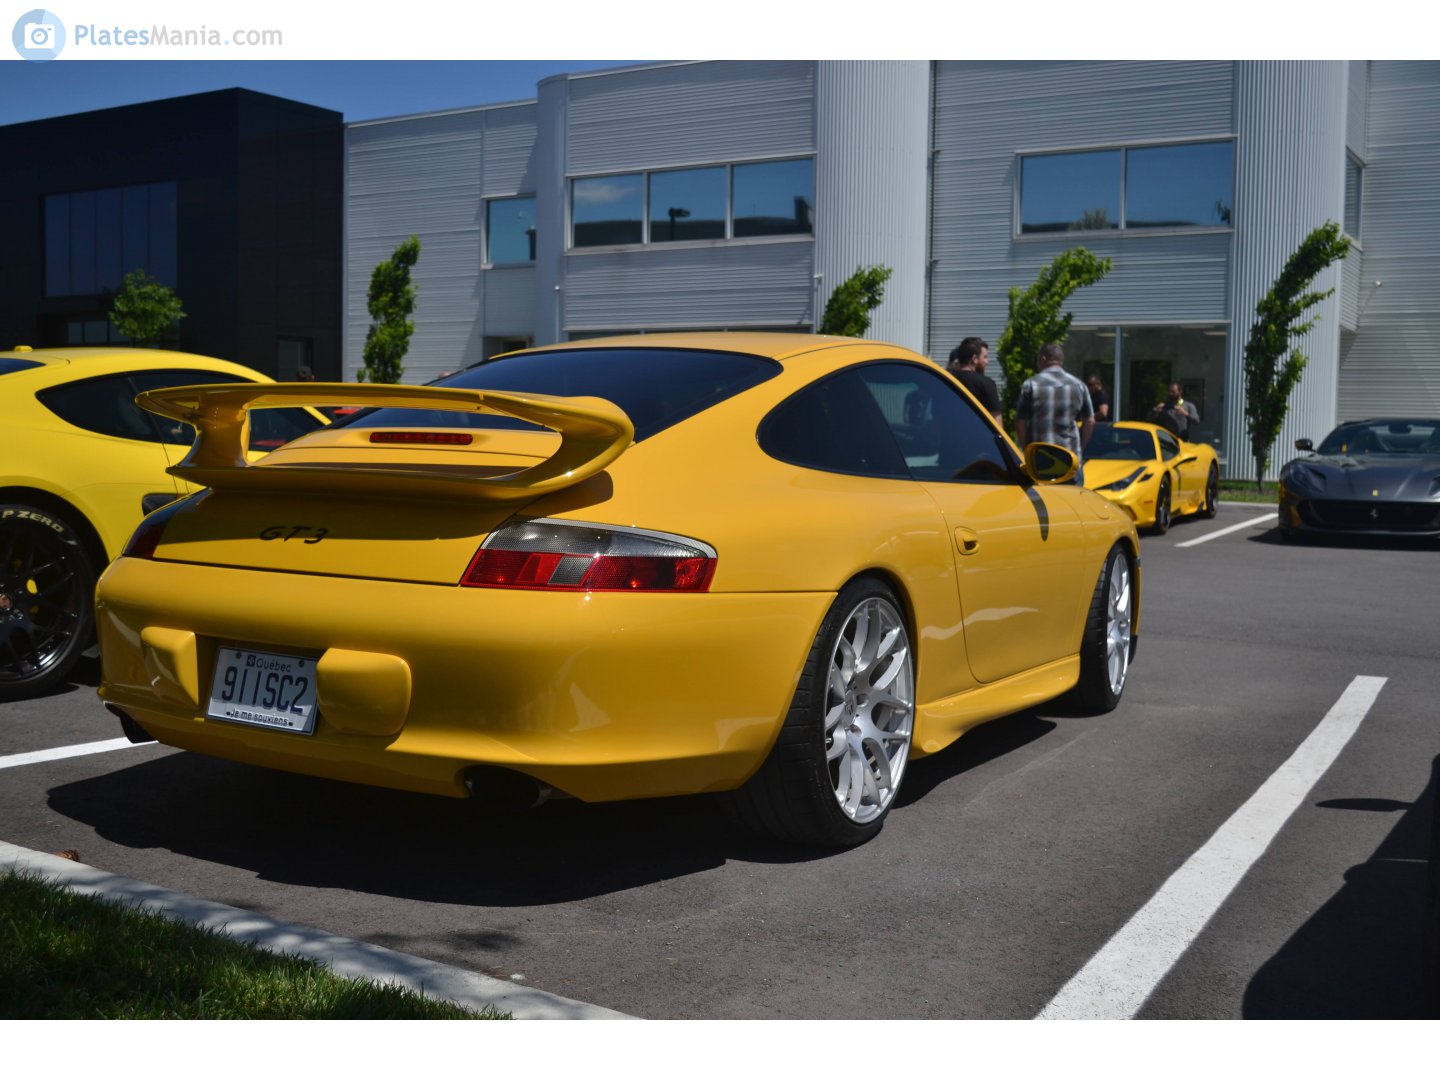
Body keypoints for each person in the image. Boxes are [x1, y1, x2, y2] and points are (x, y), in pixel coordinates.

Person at [1014, 342, 1094, 483]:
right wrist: (1080, 447)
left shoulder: (1031, 385)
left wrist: (1026, 448)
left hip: (1039, 459)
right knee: (1072, 503)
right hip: (1070, 458)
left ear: (1043, 359)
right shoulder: (1079, 385)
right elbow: (1090, 420)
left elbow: (1020, 421)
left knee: (1041, 502)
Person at [946, 336, 1002, 423]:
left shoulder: (945, 380)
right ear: (975, 359)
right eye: (985, 357)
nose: (987, 362)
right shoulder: (987, 384)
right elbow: (997, 423)